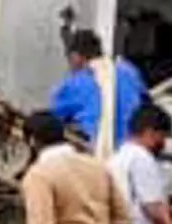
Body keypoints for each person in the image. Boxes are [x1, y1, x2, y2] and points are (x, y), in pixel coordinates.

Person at [50, 27, 150, 159]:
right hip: (134, 153)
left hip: (98, 157)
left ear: (75, 56)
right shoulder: (129, 71)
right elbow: (146, 103)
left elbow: (53, 120)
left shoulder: (76, 83)